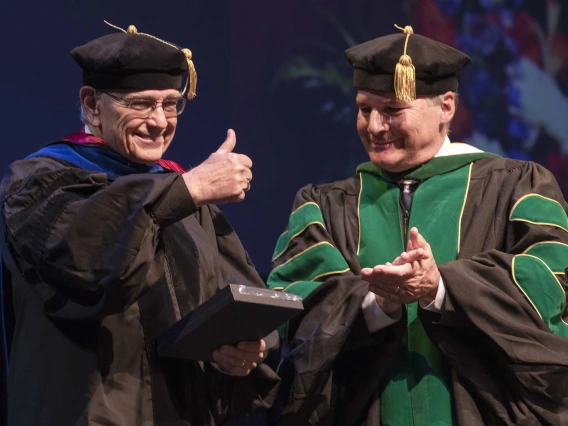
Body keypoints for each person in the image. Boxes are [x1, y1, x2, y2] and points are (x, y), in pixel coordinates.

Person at [266, 25, 568, 425]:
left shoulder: (517, 187)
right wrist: (378, 303)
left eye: (392, 110)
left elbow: (552, 286)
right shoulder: (323, 205)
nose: (374, 126)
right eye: (364, 109)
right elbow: (293, 308)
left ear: (446, 107)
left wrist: (441, 288)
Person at [0, 22, 280, 426]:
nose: (160, 121)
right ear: (92, 104)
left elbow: (242, 294)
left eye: (170, 104)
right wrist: (191, 187)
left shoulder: (180, 190)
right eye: (141, 104)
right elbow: (88, 266)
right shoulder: (40, 183)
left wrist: (248, 347)